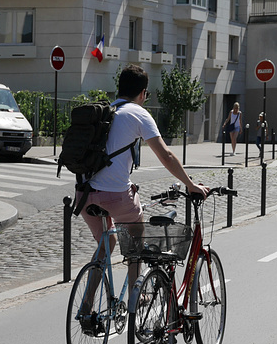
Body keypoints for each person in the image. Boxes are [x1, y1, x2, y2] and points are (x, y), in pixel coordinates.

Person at [76, 64, 208, 317]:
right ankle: (137, 300)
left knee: (106, 244)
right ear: (143, 93)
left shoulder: (105, 111)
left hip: (84, 194)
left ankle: (86, 306)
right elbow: (166, 156)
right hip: (115, 196)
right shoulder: (138, 113)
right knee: (133, 242)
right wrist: (190, 185)